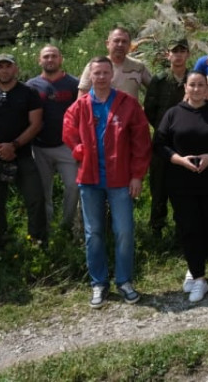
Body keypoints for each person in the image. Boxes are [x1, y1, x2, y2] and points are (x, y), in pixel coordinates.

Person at [63, 56, 152, 308]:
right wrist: (79, 150)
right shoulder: (80, 106)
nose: (101, 77)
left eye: (105, 72)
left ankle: (124, 281)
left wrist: (137, 175)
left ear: (112, 75)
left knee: (124, 231)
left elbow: (141, 142)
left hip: (120, 179)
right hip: (89, 179)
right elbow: (68, 130)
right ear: (90, 76)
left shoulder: (128, 103)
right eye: (97, 73)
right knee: (93, 233)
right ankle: (99, 283)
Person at [153, 71, 208, 303]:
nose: (197, 89)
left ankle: (195, 265)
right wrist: (180, 160)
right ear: (186, 88)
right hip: (181, 182)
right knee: (188, 227)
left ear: (206, 89)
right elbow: (159, 145)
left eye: (201, 85)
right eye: (192, 85)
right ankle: (199, 277)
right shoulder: (173, 114)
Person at [0, 53, 47, 250]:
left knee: (36, 198)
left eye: (8, 66)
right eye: (0, 66)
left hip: (22, 155)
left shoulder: (29, 93)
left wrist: (13, 145)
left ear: (16, 69)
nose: (4, 70)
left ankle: (38, 241)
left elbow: (36, 124)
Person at [26, 45, 82, 235]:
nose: (50, 59)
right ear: (39, 60)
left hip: (66, 145)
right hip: (39, 146)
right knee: (43, 191)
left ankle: (67, 225)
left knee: (73, 187)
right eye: (46, 56)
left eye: (54, 56)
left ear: (61, 59)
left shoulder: (74, 84)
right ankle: (46, 229)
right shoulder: (31, 86)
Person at [143, 39, 190, 239]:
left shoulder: (193, 78)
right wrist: (163, 129)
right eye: (174, 51)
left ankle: (183, 230)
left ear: (187, 54)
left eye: (182, 51)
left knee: (184, 187)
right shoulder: (159, 80)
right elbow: (149, 110)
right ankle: (157, 229)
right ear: (168, 55)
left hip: (186, 142)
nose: (178, 55)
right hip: (162, 142)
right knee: (159, 186)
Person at [78, 27, 151, 102]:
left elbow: (154, 88)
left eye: (124, 42)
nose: (120, 44)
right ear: (107, 44)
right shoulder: (95, 67)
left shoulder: (138, 66)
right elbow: (81, 100)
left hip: (131, 109)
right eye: (116, 41)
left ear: (129, 45)